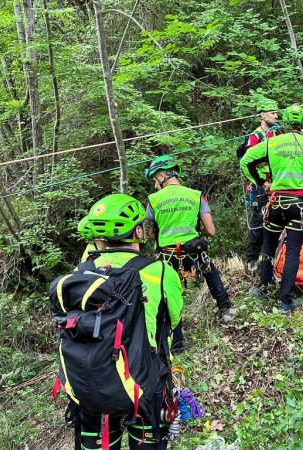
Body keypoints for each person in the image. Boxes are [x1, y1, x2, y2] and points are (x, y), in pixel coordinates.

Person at [75, 193, 183, 449]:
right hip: (146, 381)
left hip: (93, 383)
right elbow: (175, 318)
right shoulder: (160, 271)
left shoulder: (82, 272)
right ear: (137, 231)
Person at [240, 105, 303, 314]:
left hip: (276, 203)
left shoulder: (271, 142)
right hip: (299, 204)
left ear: (285, 123)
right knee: (293, 249)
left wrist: (260, 182)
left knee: (268, 245)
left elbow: (246, 160)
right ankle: (285, 300)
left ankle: (263, 288)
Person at [144, 155, 235, 323]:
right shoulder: (196, 195)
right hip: (194, 251)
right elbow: (211, 230)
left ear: (163, 176)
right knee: (211, 273)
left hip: (167, 255)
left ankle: (170, 325)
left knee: (165, 289)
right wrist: (196, 233)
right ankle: (226, 309)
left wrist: (162, 233)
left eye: (155, 179)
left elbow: (147, 234)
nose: (155, 185)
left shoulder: (153, 200)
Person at [236, 99, 282, 272]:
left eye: (276, 112)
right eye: (272, 112)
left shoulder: (276, 133)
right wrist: (262, 182)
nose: (276, 115)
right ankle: (252, 258)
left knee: (275, 217)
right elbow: (249, 162)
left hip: (275, 182)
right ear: (262, 115)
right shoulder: (255, 137)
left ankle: (271, 254)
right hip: (260, 184)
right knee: (258, 220)